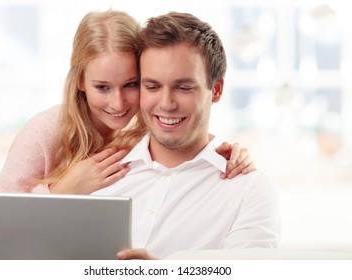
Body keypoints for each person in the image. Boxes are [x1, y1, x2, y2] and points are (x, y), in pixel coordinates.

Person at [0, 10, 255, 194]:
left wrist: (227, 153)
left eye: (131, 84)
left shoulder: (146, 129)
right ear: (80, 81)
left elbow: (187, 143)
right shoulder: (46, 130)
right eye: (102, 87)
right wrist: (62, 191)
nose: (118, 104)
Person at [88, 11, 280, 260]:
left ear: (216, 90)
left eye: (184, 87)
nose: (166, 104)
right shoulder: (99, 170)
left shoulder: (248, 191)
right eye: (152, 86)